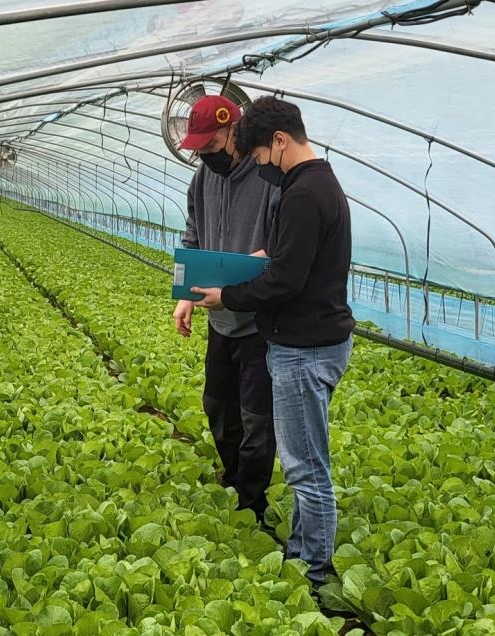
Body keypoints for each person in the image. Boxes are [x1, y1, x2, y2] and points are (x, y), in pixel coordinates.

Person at [192, 96, 355, 588]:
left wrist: (230, 294)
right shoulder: (313, 183)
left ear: (279, 141)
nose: (260, 164)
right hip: (304, 342)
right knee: (304, 461)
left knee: (307, 469)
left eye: (261, 154)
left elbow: (284, 280)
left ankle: (317, 571)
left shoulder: (304, 193)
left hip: (304, 348)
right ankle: (304, 554)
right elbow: (288, 261)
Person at [172, 94, 278, 526]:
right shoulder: (202, 180)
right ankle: (234, 478)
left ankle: (252, 502)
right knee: (217, 405)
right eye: (199, 150)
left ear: (234, 129)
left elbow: (285, 243)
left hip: (260, 321)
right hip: (220, 318)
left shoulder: (271, 178)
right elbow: (194, 234)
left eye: (211, 146)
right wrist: (185, 294)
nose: (206, 156)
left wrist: (256, 262)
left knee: (257, 419)